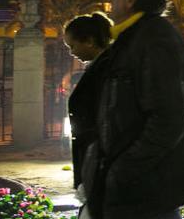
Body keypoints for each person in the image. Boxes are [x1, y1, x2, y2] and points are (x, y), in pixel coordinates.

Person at [82, 0, 184, 219]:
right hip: (139, 186)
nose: (111, 2)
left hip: (146, 190)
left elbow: (168, 119)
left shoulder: (154, 40)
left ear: (130, 0)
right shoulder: (133, 38)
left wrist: (123, 169)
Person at [63, 12, 113, 219]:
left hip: (100, 162)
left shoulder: (106, 70)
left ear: (90, 41)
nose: (72, 52)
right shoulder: (100, 67)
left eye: (73, 45)